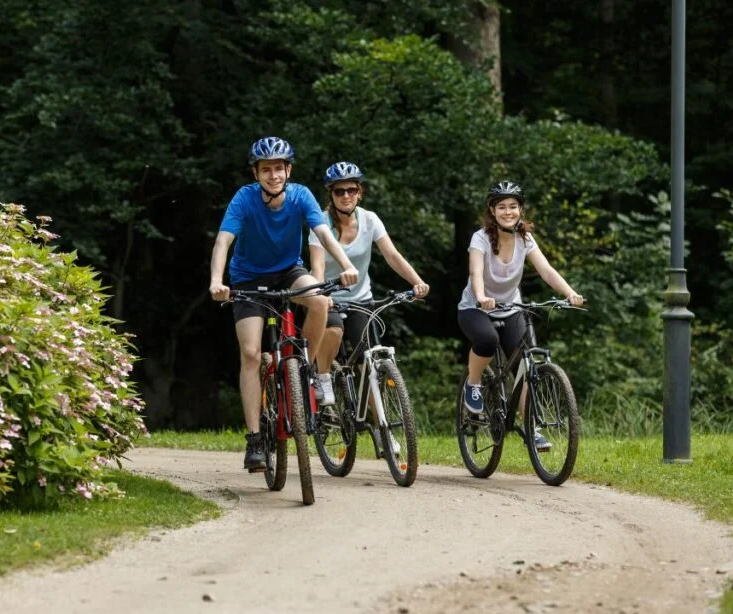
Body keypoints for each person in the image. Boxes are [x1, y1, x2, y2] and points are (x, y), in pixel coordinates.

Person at [209, 137, 358, 472]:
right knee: (250, 354)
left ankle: (303, 366)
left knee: (319, 301)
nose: (273, 175)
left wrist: (346, 264)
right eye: (266, 169)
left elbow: (323, 233)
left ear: (288, 170)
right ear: (256, 172)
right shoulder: (244, 199)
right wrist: (217, 281)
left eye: (279, 168)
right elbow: (223, 240)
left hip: (288, 272)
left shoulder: (301, 195)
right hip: (247, 279)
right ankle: (254, 440)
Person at [456, 180, 584, 450]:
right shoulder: (480, 238)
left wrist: (570, 293)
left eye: (513, 206)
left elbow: (547, 270)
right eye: (501, 207)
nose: (508, 212)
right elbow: (476, 272)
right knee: (488, 341)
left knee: (527, 366)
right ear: (492, 210)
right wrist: (481, 297)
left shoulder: (525, 238)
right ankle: (474, 382)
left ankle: (531, 428)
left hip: (511, 307)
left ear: (520, 210)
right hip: (475, 308)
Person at [308, 161, 430, 406]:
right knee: (333, 331)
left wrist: (417, 282)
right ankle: (322, 378)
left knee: (370, 364)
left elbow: (392, 256)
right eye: (339, 191)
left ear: (359, 193)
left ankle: (382, 428)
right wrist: (322, 295)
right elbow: (317, 267)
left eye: (351, 190)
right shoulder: (320, 223)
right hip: (328, 299)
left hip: (360, 300)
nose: (346, 196)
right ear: (330, 195)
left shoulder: (370, 220)